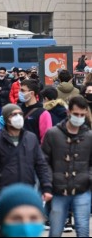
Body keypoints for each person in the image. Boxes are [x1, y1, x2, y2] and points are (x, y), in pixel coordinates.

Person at [0, 104, 52, 213]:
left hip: (27, 191)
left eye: (20, 114)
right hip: (4, 193)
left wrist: (46, 187)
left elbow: (41, 165)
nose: (18, 117)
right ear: (6, 118)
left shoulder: (31, 138)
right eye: (14, 115)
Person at [42, 96, 92, 237]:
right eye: (76, 114)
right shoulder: (53, 134)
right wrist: (49, 182)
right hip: (59, 190)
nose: (79, 117)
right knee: (56, 230)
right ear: (68, 112)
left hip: (82, 188)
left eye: (82, 115)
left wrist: (89, 178)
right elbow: (44, 161)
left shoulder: (89, 136)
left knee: (83, 229)